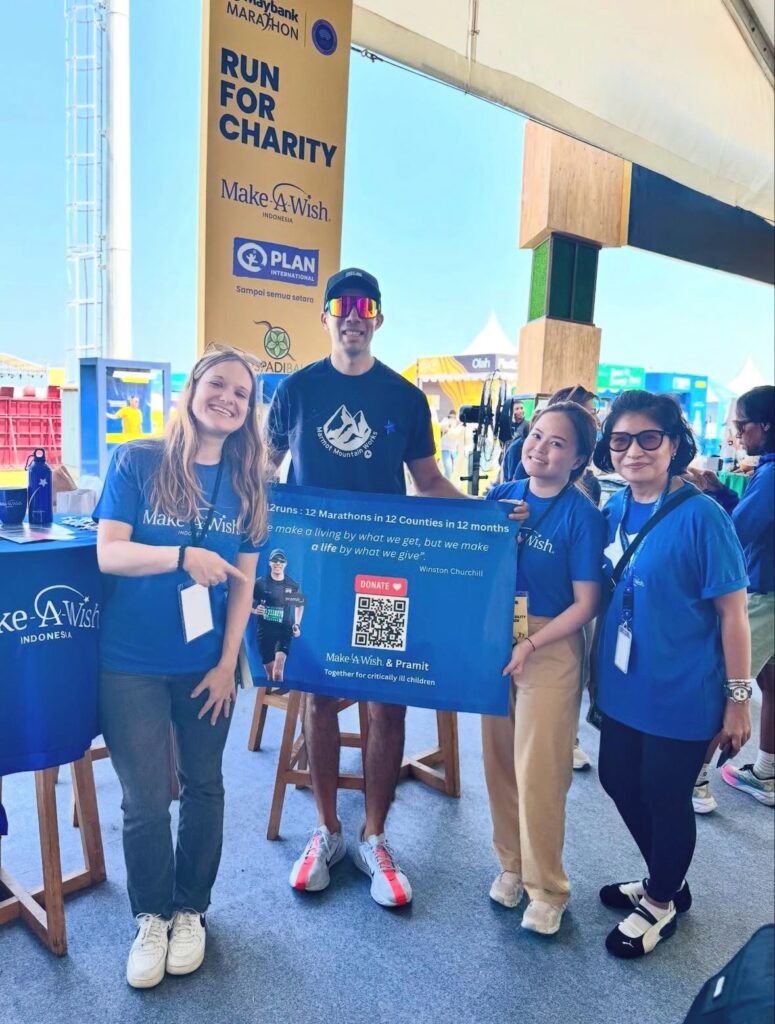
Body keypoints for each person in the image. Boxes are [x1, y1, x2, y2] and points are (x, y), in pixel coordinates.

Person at [266, 267, 468, 908]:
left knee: (387, 702)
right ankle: (325, 829)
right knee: (321, 702)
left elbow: (429, 481)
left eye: (365, 305)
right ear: (324, 315)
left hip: (383, 573)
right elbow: (264, 475)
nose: (352, 314)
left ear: (379, 318)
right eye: (340, 304)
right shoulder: (295, 392)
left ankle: (375, 835)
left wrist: (487, 519)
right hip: (315, 572)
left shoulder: (405, 399)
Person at [94, 345, 268, 988]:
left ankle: (190, 909)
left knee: (205, 786)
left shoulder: (249, 481)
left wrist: (229, 665)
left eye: (241, 393)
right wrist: (180, 555)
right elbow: (109, 554)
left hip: (205, 666)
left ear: (250, 411)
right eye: (216, 384)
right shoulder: (138, 460)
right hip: (130, 662)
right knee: (143, 801)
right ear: (192, 389)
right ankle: (151, 917)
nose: (227, 398)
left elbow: (245, 586)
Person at [591, 390, 751, 959]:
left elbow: (733, 615)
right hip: (623, 684)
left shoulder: (704, 517)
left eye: (648, 438)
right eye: (620, 440)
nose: (633, 451)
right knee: (617, 779)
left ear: (675, 443)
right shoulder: (613, 509)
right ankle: (667, 878)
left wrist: (738, 700)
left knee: (664, 794)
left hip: (684, 690)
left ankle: (660, 902)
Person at [482, 401, 604, 936]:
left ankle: (547, 887)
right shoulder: (500, 497)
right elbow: (472, 565)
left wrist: (530, 643)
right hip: (493, 639)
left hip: (550, 643)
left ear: (578, 458)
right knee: (499, 760)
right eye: (536, 436)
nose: (540, 448)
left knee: (541, 770)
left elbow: (587, 604)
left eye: (557, 443)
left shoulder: (584, 515)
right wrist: (498, 535)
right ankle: (511, 865)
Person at [690, 385, 775, 811]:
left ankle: (694, 780)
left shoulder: (773, 472)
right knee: (772, 682)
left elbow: (738, 531)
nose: (738, 434)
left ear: (765, 425)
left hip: (764, 592)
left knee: (725, 681)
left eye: (742, 424)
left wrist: (712, 500)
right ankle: (766, 771)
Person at [252, 548, 304, 683]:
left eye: (281, 561)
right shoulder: (260, 583)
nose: (278, 563)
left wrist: (297, 625)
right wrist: (254, 610)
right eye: (275, 560)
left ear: (285, 564)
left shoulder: (291, 585)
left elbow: (299, 605)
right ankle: (269, 700)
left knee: (277, 673)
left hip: (284, 631)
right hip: (264, 633)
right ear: (270, 563)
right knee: (270, 675)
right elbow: (243, 603)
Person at [439, 408, 464, 480]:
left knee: (453, 470)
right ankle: (445, 484)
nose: (452, 419)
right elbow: (441, 426)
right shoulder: (445, 421)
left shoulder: (458, 423)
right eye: (450, 417)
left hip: (454, 450)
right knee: (448, 468)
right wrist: (449, 425)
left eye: (454, 417)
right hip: (445, 449)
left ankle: (446, 482)